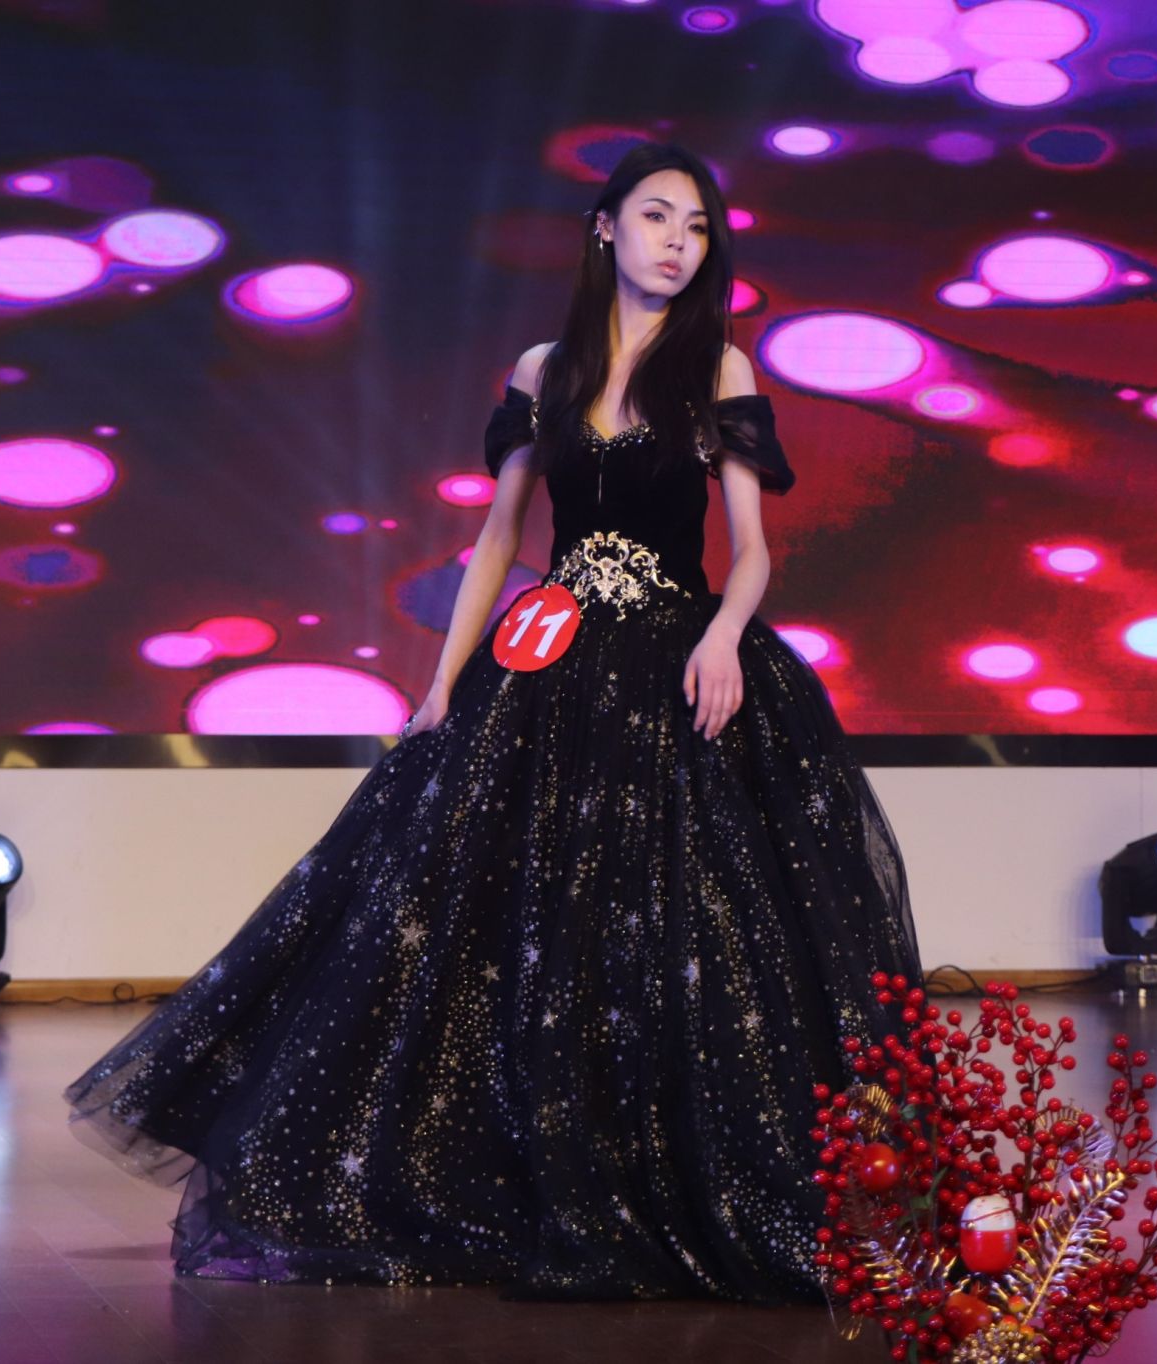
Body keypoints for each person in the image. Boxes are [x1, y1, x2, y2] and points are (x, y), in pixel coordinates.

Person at [64, 141, 923, 1305]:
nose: (677, 242)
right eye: (656, 216)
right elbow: (497, 541)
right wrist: (439, 684)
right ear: (604, 227)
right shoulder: (543, 369)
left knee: (691, 931)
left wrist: (724, 634)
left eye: (696, 228)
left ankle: (664, 1170)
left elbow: (753, 549)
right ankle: (513, 1167)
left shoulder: (715, 366)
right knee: (487, 924)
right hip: (549, 664)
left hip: (675, 662)